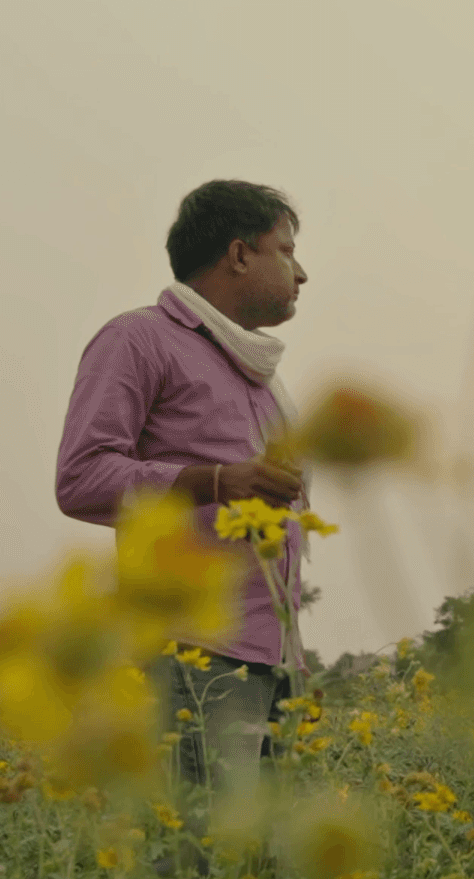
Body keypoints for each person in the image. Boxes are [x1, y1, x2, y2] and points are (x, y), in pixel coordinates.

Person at [55, 179, 311, 793]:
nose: (301, 274)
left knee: (262, 874)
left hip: (278, 661)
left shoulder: (258, 375)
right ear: (240, 253)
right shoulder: (138, 340)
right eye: (288, 250)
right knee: (201, 866)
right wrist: (216, 482)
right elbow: (81, 477)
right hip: (192, 653)